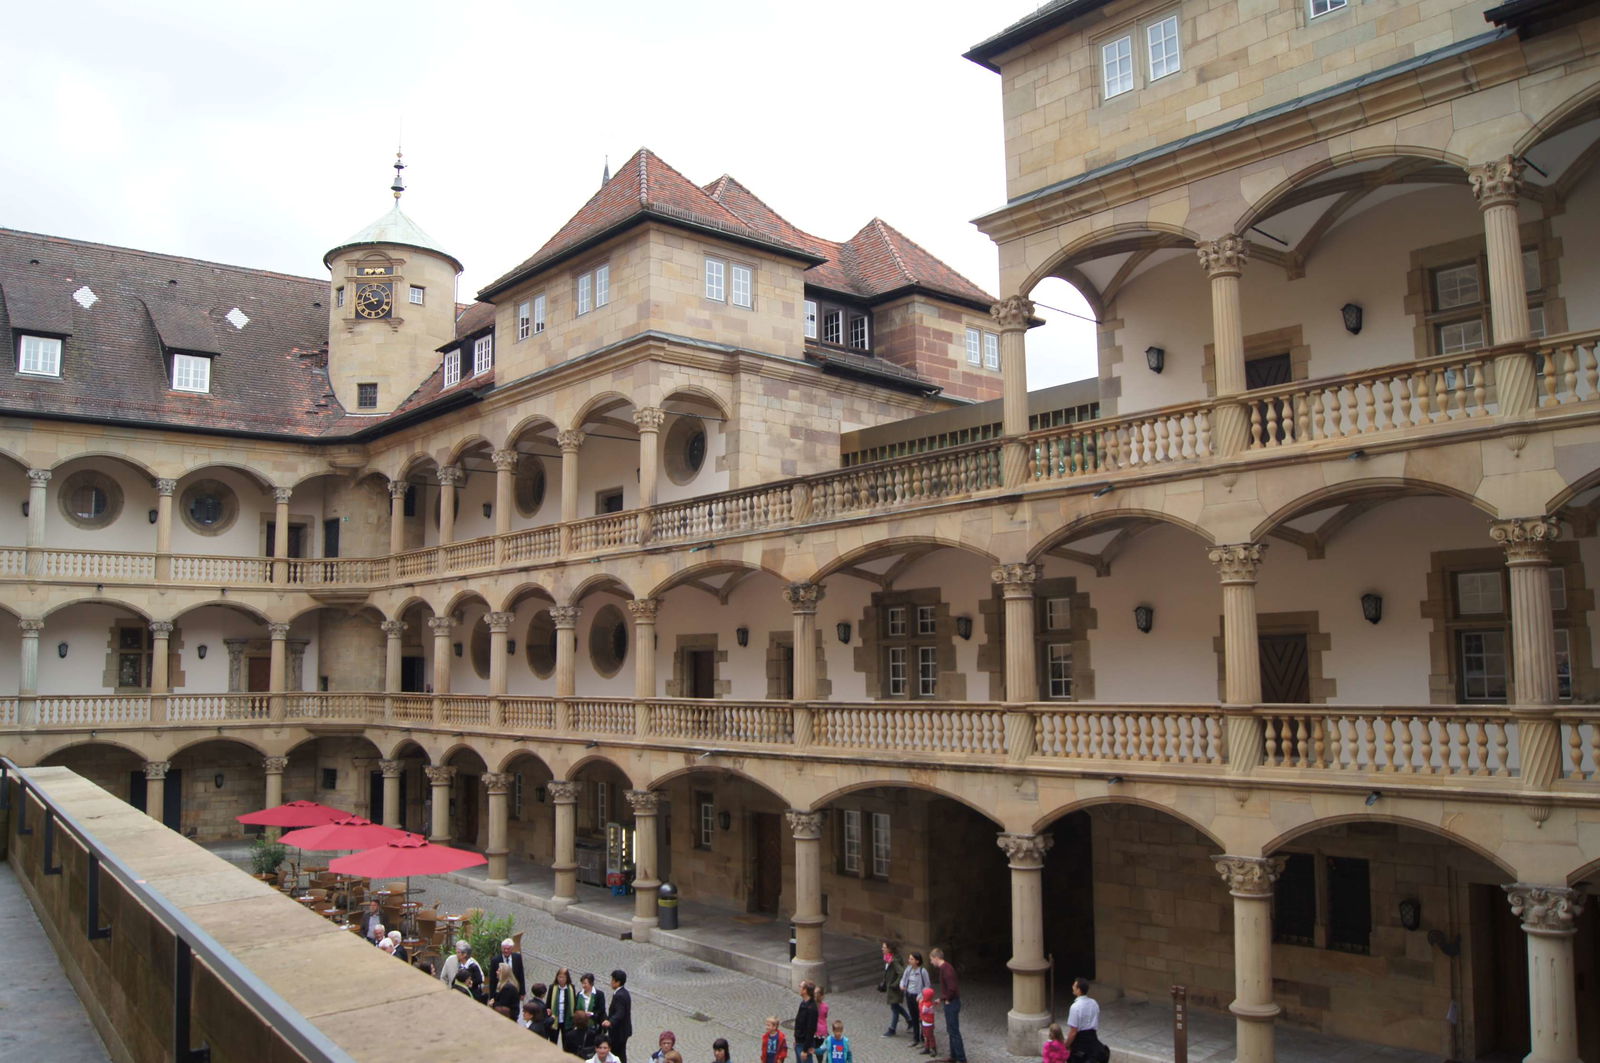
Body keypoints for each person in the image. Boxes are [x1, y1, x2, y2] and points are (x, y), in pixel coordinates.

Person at [928, 949, 965, 1063]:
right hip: (950, 1002)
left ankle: (961, 1058)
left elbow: (952, 989)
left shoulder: (947, 970)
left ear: (936, 957)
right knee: (951, 1030)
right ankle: (953, 1056)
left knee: (954, 1031)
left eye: (931, 959)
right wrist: (942, 999)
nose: (931, 962)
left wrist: (945, 999)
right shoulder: (944, 968)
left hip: (952, 1003)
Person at [1064, 978, 1103, 1063]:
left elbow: (1073, 1031)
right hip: (1093, 1039)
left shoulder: (1075, 1007)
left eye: (1074, 986)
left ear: (1079, 990)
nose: (1072, 987)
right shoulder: (1094, 1003)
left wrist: (1066, 1045)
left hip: (1080, 1043)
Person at [899, 953, 930, 1047]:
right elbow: (903, 979)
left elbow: (927, 985)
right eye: (909, 959)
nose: (909, 960)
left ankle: (923, 1038)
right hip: (909, 995)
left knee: (921, 1018)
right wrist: (902, 985)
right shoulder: (908, 969)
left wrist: (921, 995)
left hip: (918, 997)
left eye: (911, 959)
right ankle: (915, 1038)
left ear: (917, 961)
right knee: (914, 1017)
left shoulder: (922, 971)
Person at [879, 942, 910, 1037]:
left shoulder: (894, 960)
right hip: (890, 987)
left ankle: (892, 1029)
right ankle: (910, 1020)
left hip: (894, 988)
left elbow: (901, 972)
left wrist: (895, 984)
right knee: (895, 1006)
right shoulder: (888, 959)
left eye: (884, 947)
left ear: (889, 949)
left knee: (894, 1008)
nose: (882, 949)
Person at [603, 969, 632, 1063]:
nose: (611, 982)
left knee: (617, 1054)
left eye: (612, 980)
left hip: (618, 1032)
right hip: (624, 1031)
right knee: (621, 1053)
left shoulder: (619, 995)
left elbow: (620, 1013)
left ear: (618, 982)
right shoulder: (625, 992)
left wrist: (610, 1021)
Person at [792, 981, 819, 1063]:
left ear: (805, 990)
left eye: (800, 986)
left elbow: (811, 1030)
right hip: (799, 1042)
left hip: (804, 1044)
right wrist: (796, 1039)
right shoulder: (803, 1003)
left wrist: (805, 1050)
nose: (799, 988)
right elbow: (799, 1023)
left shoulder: (812, 1008)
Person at [552, 967, 579, 1037]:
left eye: (563, 977)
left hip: (567, 1020)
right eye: (559, 977)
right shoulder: (552, 987)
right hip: (555, 1019)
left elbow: (574, 1004)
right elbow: (548, 1003)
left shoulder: (571, 988)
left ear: (567, 978)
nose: (561, 979)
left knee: (566, 1041)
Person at [918, 989, 937, 1057]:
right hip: (925, 1022)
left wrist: (920, 1003)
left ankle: (933, 1049)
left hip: (928, 1023)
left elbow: (922, 1010)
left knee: (930, 1036)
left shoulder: (927, 1004)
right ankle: (927, 1048)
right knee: (926, 1036)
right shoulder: (928, 1002)